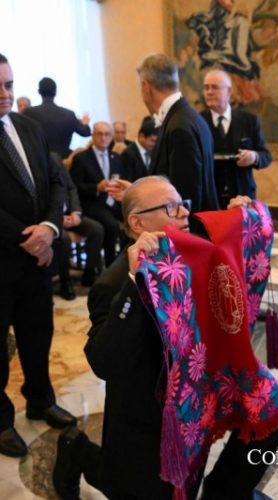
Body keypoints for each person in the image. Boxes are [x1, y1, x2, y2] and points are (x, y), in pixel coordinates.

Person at [52, 176, 278, 500]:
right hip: (146, 415)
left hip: (197, 393)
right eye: (170, 207)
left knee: (272, 408)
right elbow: (104, 362)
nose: (184, 213)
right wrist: (134, 282)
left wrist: (241, 216)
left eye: (182, 204)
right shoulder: (112, 284)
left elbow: (228, 248)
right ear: (137, 223)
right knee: (133, 488)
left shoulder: (188, 251)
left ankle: (223, 494)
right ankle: (77, 449)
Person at [0, 54, 76, 459]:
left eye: (9, 84)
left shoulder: (28, 125)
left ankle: (40, 399)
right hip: (4, 259)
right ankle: (0, 420)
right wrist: (26, 238)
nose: (5, 93)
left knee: (38, 334)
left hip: (37, 258)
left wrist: (48, 228)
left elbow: (56, 181)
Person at [138, 53, 219, 220]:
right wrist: (137, 191)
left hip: (187, 229)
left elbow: (184, 197)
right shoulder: (191, 118)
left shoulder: (179, 127)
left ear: (146, 86)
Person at [201, 69, 272, 208]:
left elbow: (266, 155)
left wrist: (254, 157)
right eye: (206, 88)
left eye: (214, 87)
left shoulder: (249, 121)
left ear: (229, 92)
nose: (209, 92)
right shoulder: (198, 122)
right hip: (210, 197)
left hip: (242, 196)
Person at [70, 122, 125, 267]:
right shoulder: (81, 158)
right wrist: (96, 187)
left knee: (133, 219)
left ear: (111, 137)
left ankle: (125, 264)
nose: (103, 138)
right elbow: (74, 187)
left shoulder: (116, 158)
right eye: (99, 134)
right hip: (91, 203)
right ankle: (111, 266)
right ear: (93, 136)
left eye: (107, 134)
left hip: (112, 202)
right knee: (112, 225)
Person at [50, 153, 104, 297]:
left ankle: (89, 273)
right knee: (64, 239)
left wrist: (76, 212)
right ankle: (65, 281)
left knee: (96, 229)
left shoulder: (55, 158)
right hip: (51, 218)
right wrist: (57, 218)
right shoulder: (35, 162)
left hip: (70, 213)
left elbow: (71, 188)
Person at [23, 77, 91, 159]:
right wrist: (85, 123)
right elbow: (86, 133)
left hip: (39, 161)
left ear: (39, 91)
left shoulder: (29, 113)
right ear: (55, 92)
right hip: (64, 162)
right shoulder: (69, 115)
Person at [120, 116, 158, 181]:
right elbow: (126, 180)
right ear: (141, 136)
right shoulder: (128, 154)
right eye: (152, 140)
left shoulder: (153, 152)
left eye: (156, 141)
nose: (154, 144)